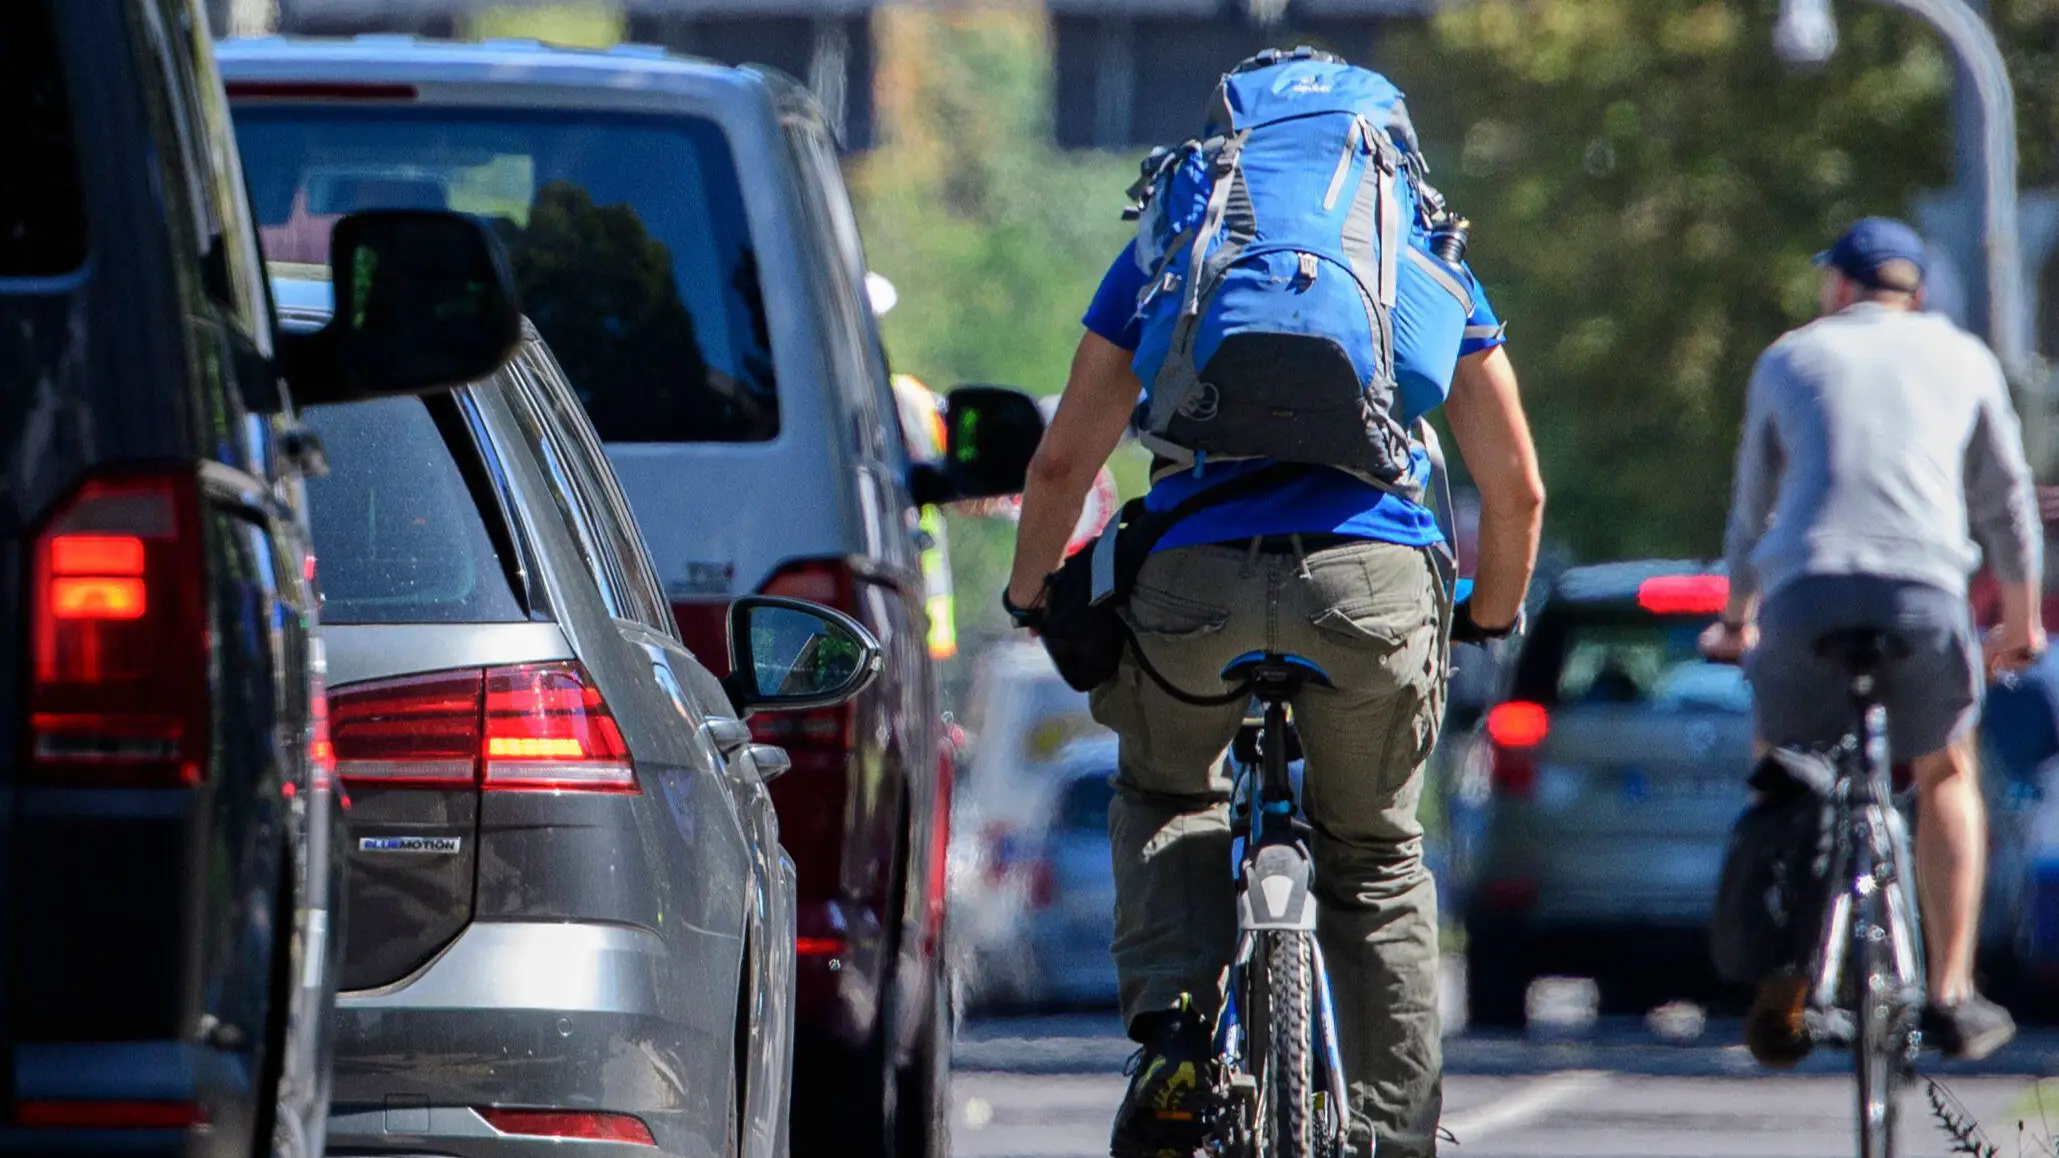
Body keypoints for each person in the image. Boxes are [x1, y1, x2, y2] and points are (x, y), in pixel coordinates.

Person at [1004, 241, 1543, 1158]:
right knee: (1373, 854)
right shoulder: (1420, 253)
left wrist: (1028, 595)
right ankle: (1391, 1131)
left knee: (1170, 790)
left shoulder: (1174, 241)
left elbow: (1059, 466)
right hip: (1370, 588)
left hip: (1192, 580)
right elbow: (1516, 489)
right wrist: (1486, 617)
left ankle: (1176, 1036)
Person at [1700, 217, 2044, 1062]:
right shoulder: (1963, 358)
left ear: (1839, 286)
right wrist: (2022, 621)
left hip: (1805, 592)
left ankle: (1788, 976)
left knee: (1785, 765)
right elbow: (2006, 502)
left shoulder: (1789, 357)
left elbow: (1752, 512)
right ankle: (1952, 992)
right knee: (1944, 769)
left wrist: (1737, 619)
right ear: (1916, 293)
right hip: (1924, 594)